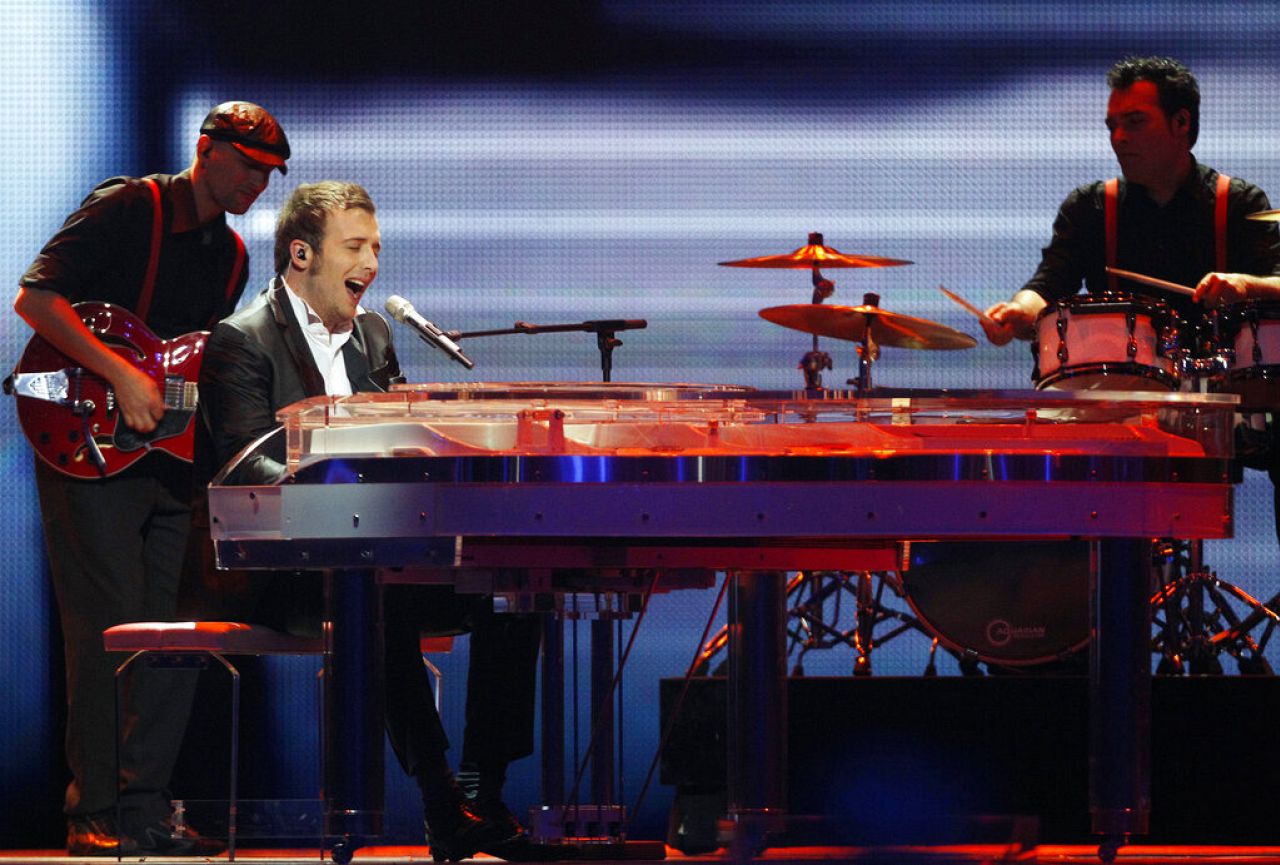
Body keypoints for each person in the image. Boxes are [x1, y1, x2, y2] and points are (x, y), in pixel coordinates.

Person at [192, 181, 541, 862]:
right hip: (285, 571)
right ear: (300, 254)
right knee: (369, 593)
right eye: (355, 246)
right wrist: (340, 491)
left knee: (513, 589)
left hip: (382, 554)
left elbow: (396, 440)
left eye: (376, 247)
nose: (372, 263)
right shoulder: (242, 340)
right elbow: (243, 471)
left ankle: (483, 788)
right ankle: (441, 799)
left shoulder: (375, 333)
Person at [13, 101, 289, 855]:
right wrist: (121, 375)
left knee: (174, 634)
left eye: (270, 175)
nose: (258, 184)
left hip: (168, 459)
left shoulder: (230, 257)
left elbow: (194, 362)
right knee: (102, 627)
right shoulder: (129, 206)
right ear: (207, 150)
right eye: (249, 167)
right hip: (90, 446)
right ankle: (92, 812)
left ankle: (142, 808)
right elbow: (35, 298)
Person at [982, 56, 1280, 347]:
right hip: (1123, 392)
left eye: (1135, 122)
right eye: (1112, 126)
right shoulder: (1089, 208)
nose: (1118, 138)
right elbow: (1046, 289)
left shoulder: (1239, 203)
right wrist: (1018, 310)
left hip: (1223, 391)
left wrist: (1246, 285)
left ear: (1181, 122)